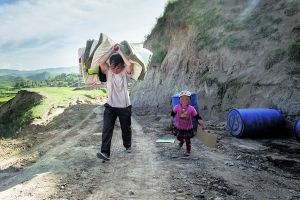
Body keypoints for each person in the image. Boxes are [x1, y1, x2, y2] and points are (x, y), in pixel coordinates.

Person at [96, 44, 133, 161]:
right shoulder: (108, 71)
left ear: (121, 66)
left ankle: (127, 145)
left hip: (124, 106)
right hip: (111, 106)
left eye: (117, 68)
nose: (114, 70)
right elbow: (101, 62)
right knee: (107, 128)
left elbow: (129, 64)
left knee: (126, 128)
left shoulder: (125, 72)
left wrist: (120, 51)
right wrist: (112, 50)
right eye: (112, 67)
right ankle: (105, 153)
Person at [171, 90, 205, 156]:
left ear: (189, 100)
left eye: (186, 99)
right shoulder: (177, 107)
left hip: (188, 128)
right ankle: (181, 141)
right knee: (179, 137)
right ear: (179, 100)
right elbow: (173, 114)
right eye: (182, 98)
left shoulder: (191, 109)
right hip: (179, 127)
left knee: (188, 140)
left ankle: (188, 151)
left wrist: (202, 124)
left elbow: (197, 117)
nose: (184, 100)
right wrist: (172, 120)